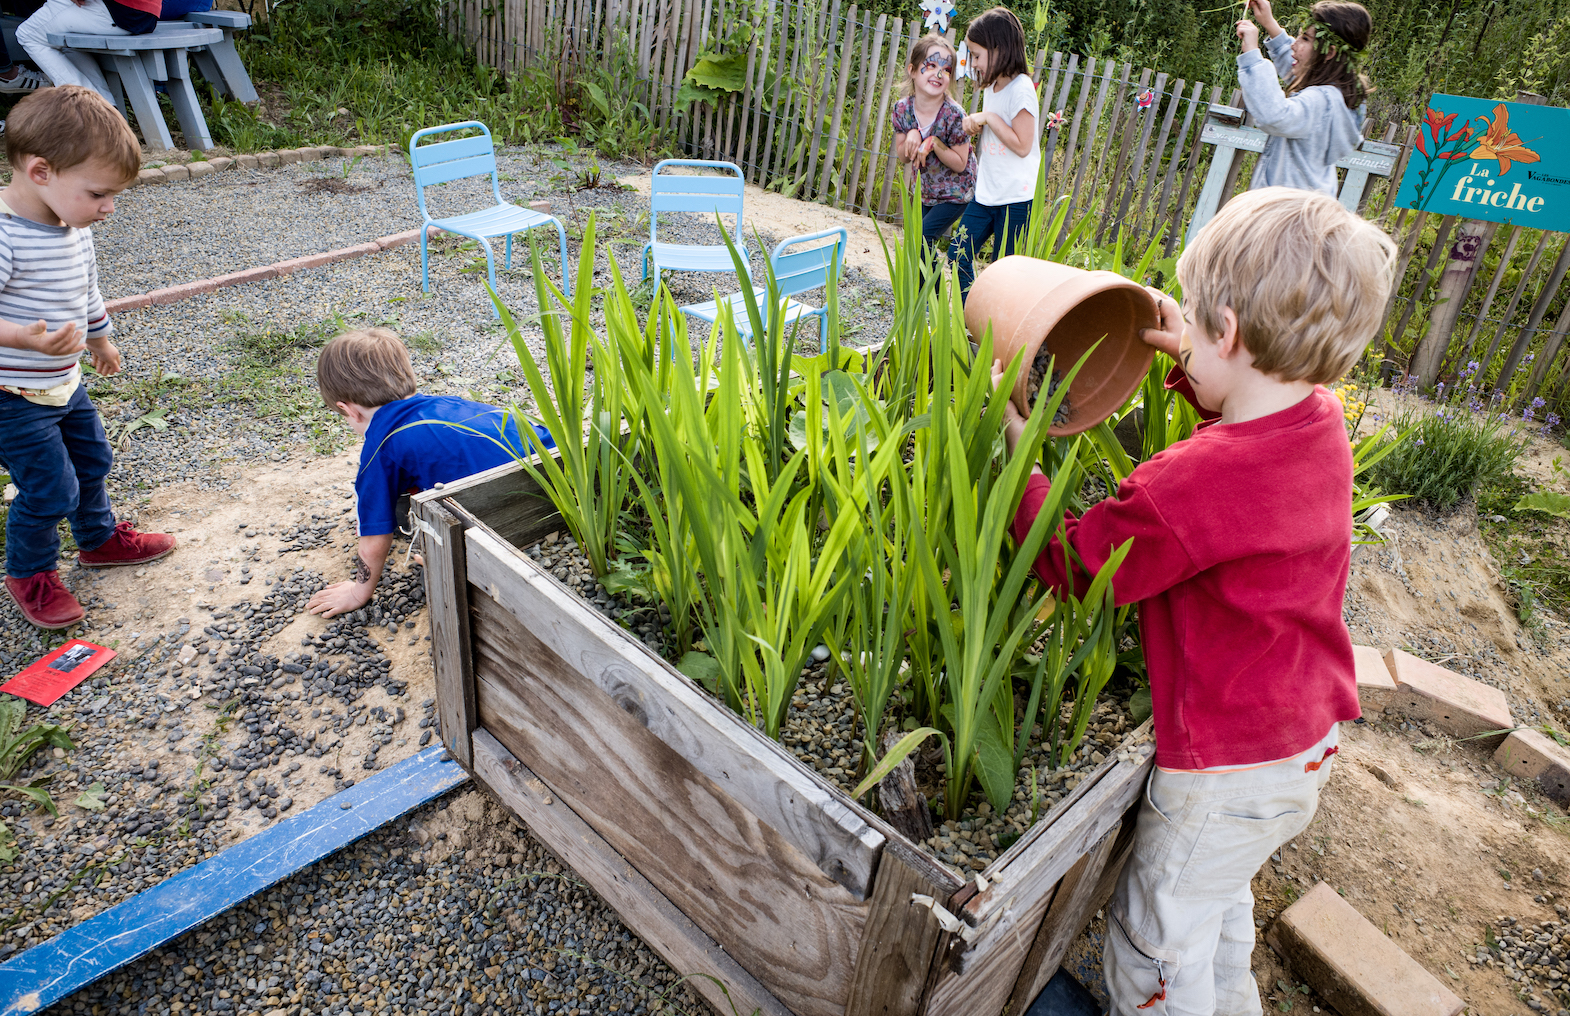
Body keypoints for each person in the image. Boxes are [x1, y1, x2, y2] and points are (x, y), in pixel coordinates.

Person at [992, 187, 1396, 1013]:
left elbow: (1076, 563)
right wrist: (1192, 356)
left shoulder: (1195, 482)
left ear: (1232, 333)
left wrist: (1019, 460)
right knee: (1216, 914)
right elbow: (1244, 411)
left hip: (1222, 767)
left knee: (1154, 945)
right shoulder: (1318, 421)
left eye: (1200, 328)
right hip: (1301, 744)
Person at [0, 85, 173, 631]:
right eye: (99, 193)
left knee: (93, 461)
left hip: (64, 380)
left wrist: (100, 338)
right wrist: (26, 339)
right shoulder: (4, 236)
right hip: (13, 394)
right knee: (50, 488)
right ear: (41, 171)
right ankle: (29, 573)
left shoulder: (71, 226)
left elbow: (87, 288)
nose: (109, 208)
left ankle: (97, 540)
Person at [305, 328, 556, 619]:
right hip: (556, 493)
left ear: (348, 410)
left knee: (436, 576)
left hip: (504, 533)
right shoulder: (451, 404)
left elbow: (374, 536)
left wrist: (358, 591)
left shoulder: (382, 447)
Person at [1236, 0, 1372, 196]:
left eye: (1305, 39)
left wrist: (1252, 56)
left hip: (1287, 213)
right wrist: (1269, 23)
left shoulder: (1322, 101)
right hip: (1307, 208)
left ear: (1330, 52)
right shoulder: (1338, 96)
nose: (1295, 45)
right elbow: (1300, 67)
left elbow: (1276, 115)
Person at [948, 6, 1038, 299]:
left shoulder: (1022, 89)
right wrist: (976, 125)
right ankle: (968, 315)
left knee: (1004, 272)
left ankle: (996, 329)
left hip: (1015, 198)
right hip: (987, 193)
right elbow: (997, 135)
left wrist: (988, 119)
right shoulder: (992, 87)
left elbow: (1023, 146)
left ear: (998, 49)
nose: (973, 62)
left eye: (976, 54)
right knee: (958, 252)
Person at [890, 34, 975, 248]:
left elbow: (960, 163)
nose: (939, 74)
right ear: (912, 70)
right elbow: (903, 156)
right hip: (927, 191)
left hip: (957, 191)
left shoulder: (954, 115)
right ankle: (926, 283)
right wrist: (912, 134)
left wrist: (934, 142)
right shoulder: (902, 109)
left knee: (920, 240)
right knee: (917, 243)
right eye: (931, 65)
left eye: (946, 70)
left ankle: (934, 283)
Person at [18, 0, 162, 104]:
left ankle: (87, 106)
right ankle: (106, 106)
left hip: (119, 11)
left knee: (28, 35)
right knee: (64, 41)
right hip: (147, 12)